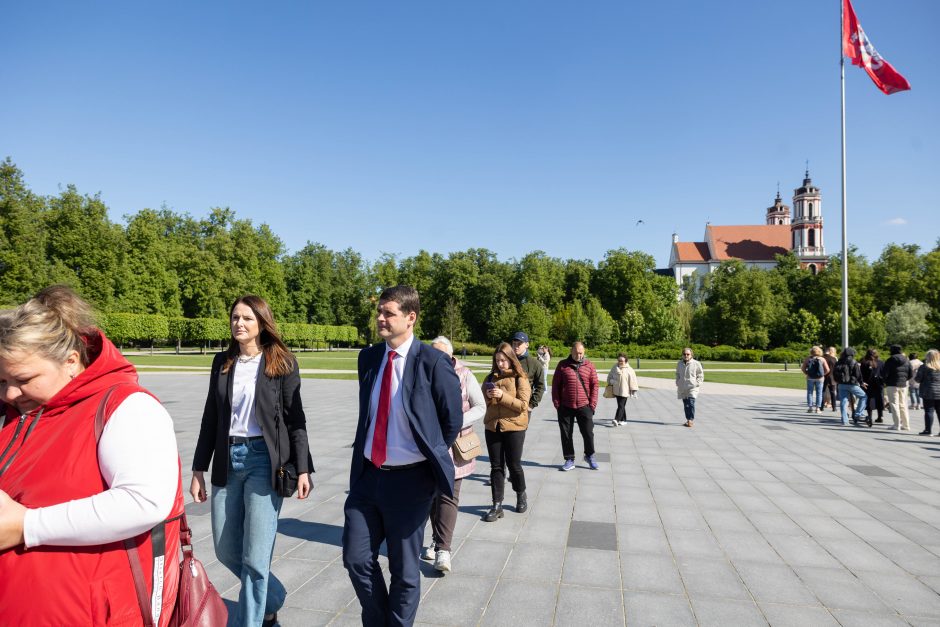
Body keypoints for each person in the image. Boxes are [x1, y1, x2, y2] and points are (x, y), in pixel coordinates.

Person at [0, 286, 184, 625]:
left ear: (71, 361)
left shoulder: (126, 407)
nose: (10, 392)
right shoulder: (19, 411)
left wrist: (26, 526)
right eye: (1, 381)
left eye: (23, 379)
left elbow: (144, 502)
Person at [342, 286, 462, 627]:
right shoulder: (368, 358)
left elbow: (450, 421)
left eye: (389, 312)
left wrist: (426, 460)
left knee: (405, 570)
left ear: (410, 318)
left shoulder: (433, 362)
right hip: (368, 476)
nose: (380, 318)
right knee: (355, 557)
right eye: (379, 311)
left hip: (411, 481)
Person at [191, 294, 313, 627]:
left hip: (264, 461)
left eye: (246, 318)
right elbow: (210, 417)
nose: (239, 324)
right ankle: (271, 598)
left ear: (261, 322)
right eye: (234, 318)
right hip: (227, 461)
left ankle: (252, 620)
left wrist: (302, 468)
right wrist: (198, 469)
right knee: (225, 549)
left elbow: (295, 419)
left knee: (256, 557)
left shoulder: (281, 361)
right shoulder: (223, 362)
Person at [422, 336, 485, 572]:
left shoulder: (465, 374)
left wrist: (457, 421)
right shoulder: (423, 374)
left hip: (455, 444)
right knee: (430, 497)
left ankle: (444, 550)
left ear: (450, 355)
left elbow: (480, 406)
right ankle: (437, 540)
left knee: (448, 495)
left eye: (440, 355)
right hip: (430, 444)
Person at [481, 342, 532, 522]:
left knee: (514, 464)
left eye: (503, 360)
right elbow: (481, 404)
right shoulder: (490, 378)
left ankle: (521, 493)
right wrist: (487, 397)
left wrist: (503, 396)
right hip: (493, 426)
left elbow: (523, 406)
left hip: (514, 427)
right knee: (496, 466)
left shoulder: (521, 378)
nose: (500, 364)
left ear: (511, 359)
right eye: (497, 360)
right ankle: (497, 504)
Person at [552, 341, 599, 470]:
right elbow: (555, 385)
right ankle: (569, 459)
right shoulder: (562, 365)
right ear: (571, 351)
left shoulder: (589, 366)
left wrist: (592, 405)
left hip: (584, 405)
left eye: (581, 353)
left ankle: (590, 455)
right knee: (566, 434)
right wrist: (557, 404)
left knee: (588, 433)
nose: (579, 355)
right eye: (576, 352)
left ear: (584, 352)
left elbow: (595, 385)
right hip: (565, 406)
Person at [511, 331, 545, 413]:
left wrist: (532, 404)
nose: (516, 346)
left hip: (523, 407)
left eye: (519, 344)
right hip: (506, 404)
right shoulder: (507, 360)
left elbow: (540, 386)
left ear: (527, 345)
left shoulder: (535, 363)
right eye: (514, 344)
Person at [835, 347, 868, 427]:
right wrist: (861, 382)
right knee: (864, 397)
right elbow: (858, 374)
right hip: (852, 384)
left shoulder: (839, 361)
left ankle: (844, 420)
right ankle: (858, 413)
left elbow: (834, 373)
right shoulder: (853, 362)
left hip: (841, 384)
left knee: (844, 401)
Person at [883, 345, 913, 432]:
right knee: (903, 404)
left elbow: (885, 373)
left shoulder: (890, 360)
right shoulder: (906, 360)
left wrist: (886, 381)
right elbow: (910, 374)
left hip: (892, 385)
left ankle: (897, 425)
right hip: (903, 385)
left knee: (894, 404)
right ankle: (906, 425)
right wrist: (904, 380)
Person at [607, 353, 639, 426]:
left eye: (622, 361)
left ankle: (616, 419)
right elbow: (609, 376)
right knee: (621, 406)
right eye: (619, 360)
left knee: (621, 406)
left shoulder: (629, 369)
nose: (620, 362)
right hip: (616, 390)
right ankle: (623, 420)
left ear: (626, 361)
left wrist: (634, 391)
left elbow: (633, 381)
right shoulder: (614, 367)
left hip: (625, 391)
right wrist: (612, 381)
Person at [675, 347, 704, 427]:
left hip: (693, 387)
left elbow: (700, 375)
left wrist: (697, 383)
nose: (686, 355)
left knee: (691, 402)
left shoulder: (696, 363)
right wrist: (677, 381)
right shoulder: (679, 363)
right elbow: (677, 374)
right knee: (686, 404)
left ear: (691, 355)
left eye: (688, 354)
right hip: (683, 387)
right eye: (684, 354)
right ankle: (688, 420)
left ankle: (690, 420)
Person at [915, 349, 940, 436]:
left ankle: (928, 430)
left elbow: (918, 379)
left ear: (928, 357)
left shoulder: (924, 367)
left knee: (929, 411)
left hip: (928, 392)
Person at [801, 346, 830, 414]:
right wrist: (822, 374)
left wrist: (807, 373)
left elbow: (803, 368)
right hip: (820, 378)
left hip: (810, 378)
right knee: (819, 393)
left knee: (810, 393)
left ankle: (810, 407)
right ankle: (817, 408)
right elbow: (828, 369)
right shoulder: (822, 359)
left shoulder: (808, 359)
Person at [860, 348, 886, 425]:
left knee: (869, 400)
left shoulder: (864, 362)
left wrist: (862, 382)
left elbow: (861, 374)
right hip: (879, 384)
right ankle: (880, 416)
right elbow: (883, 373)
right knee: (879, 399)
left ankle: (870, 416)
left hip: (868, 384)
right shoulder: (881, 362)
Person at [823, 346, 839, 412]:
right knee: (832, 392)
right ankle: (834, 407)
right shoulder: (834, 358)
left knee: (823, 391)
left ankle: (821, 406)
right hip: (832, 376)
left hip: (824, 376)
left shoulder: (824, 358)